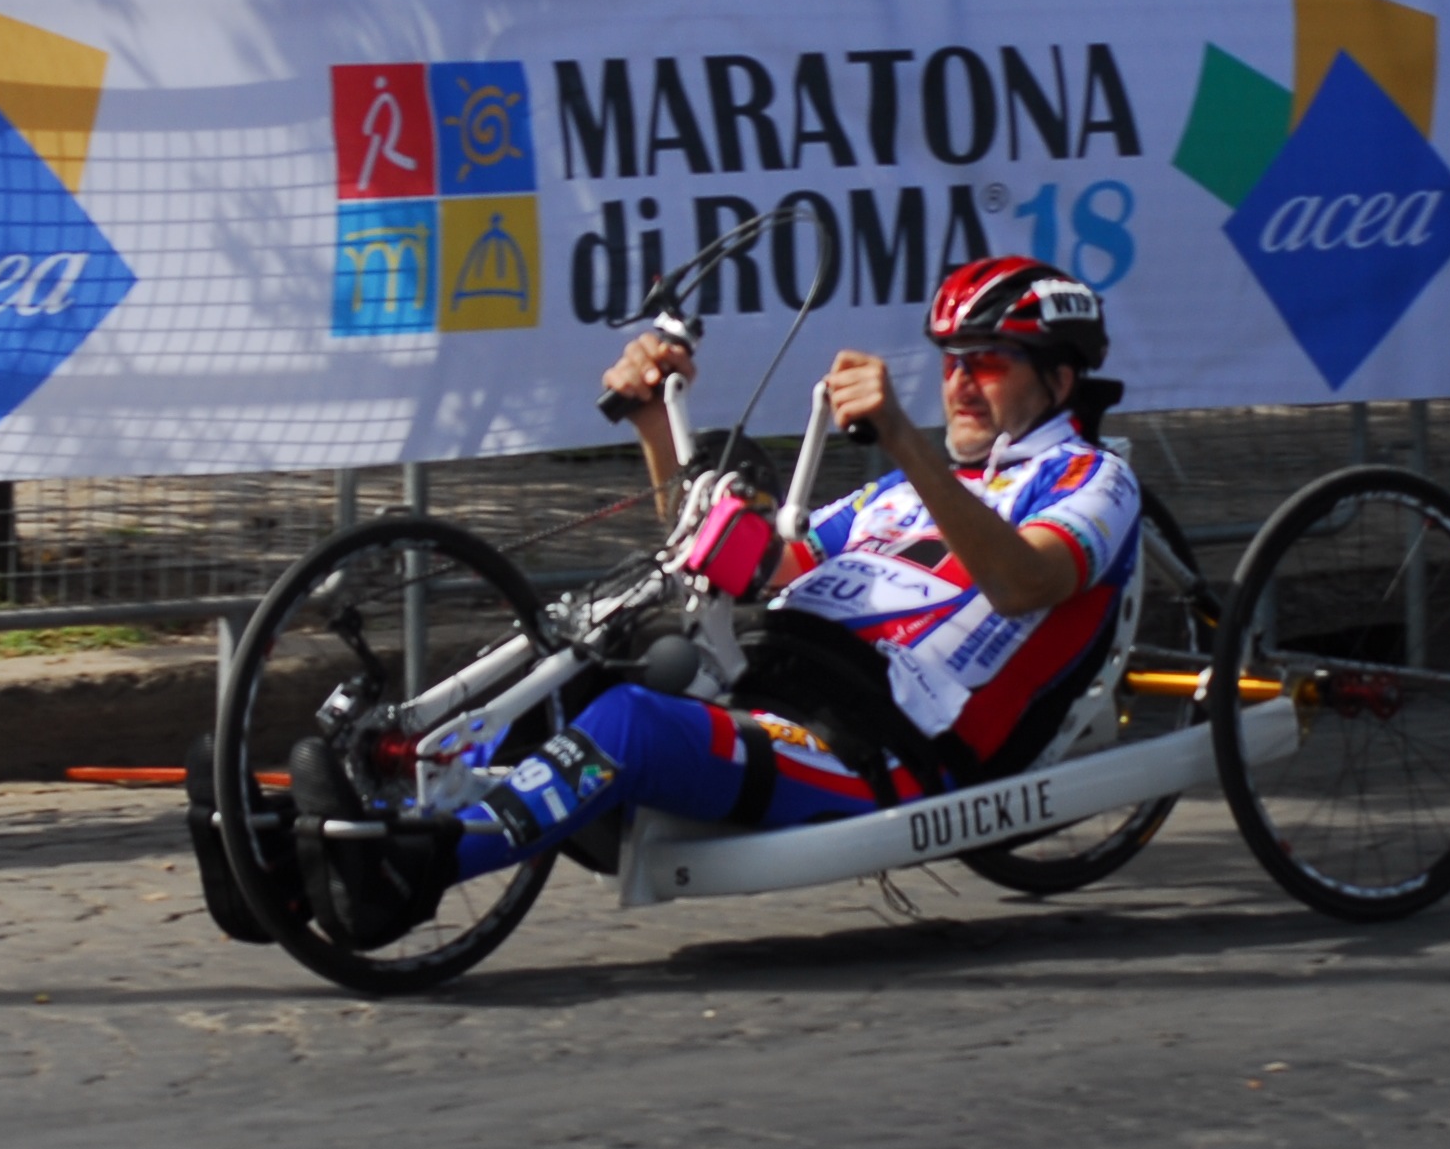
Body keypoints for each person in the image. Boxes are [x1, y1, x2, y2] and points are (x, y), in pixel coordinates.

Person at [294, 258, 1142, 945]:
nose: (959, 384)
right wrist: (652, 421)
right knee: (569, 680)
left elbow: (1025, 581)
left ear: (1060, 380)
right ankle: (289, 864)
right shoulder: (896, 495)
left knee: (629, 723)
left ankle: (410, 876)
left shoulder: (1093, 480)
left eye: (986, 363)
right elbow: (748, 565)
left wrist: (907, 443)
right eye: (952, 363)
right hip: (768, 688)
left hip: (873, 750)